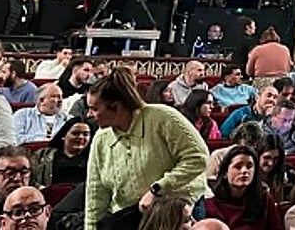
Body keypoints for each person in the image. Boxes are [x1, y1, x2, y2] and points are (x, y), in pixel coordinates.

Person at [85, 67, 209, 230]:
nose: (89, 114)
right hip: (129, 218)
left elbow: (198, 158)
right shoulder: (101, 138)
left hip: (177, 214)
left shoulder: (162, 117)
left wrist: (158, 189)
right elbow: (96, 192)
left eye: (94, 109)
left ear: (116, 107)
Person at [204, 145, 282, 230]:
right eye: (238, 167)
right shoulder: (210, 201)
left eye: (249, 166)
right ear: (226, 172)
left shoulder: (264, 199)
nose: (245, 171)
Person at [29, 116, 89, 187]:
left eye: (85, 134)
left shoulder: (94, 156)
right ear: (64, 135)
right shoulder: (43, 155)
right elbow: (30, 179)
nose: (81, 137)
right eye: (75, 133)